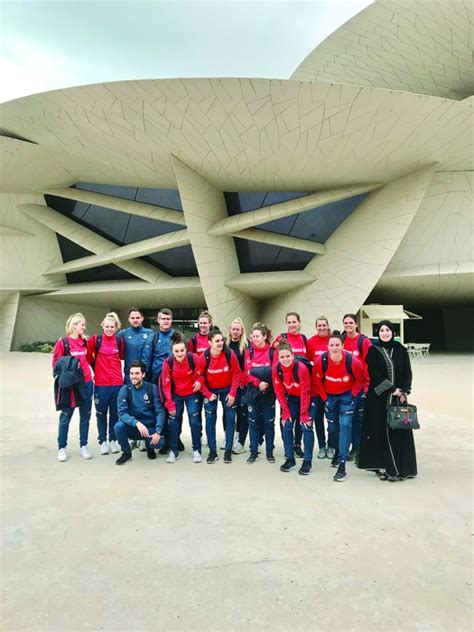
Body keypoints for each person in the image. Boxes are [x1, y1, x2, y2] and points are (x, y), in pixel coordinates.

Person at [358, 320, 417, 482]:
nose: (385, 333)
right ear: (378, 333)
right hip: (378, 398)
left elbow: (407, 373)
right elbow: (374, 374)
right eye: (382, 330)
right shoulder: (373, 350)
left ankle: (402, 467)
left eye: (388, 330)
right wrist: (392, 389)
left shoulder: (401, 350)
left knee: (398, 430)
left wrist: (404, 390)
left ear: (393, 332)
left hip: (399, 398)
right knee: (381, 430)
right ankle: (384, 466)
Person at [313, 333, 365, 482]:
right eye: (331, 345)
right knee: (333, 428)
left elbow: (360, 379)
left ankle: (342, 464)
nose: (334, 348)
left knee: (346, 425)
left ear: (342, 346)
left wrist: (353, 395)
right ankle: (336, 452)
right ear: (327, 346)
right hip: (330, 397)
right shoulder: (321, 361)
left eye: (337, 345)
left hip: (347, 396)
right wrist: (324, 398)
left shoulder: (352, 361)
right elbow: (317, 381)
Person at [196, 328, 241, 464]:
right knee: (210, 419)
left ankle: (228, 451)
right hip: (211, 390)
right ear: (210, 342)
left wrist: (233, 393)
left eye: (222, 340)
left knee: (230, 417)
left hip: (227, 389)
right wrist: (207, 394)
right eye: (217, 341)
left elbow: (237, 374)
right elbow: (198, 377)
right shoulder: (204, 357)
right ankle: (212, 451)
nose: (220, 343)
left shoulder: (229, 354)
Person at [52, 313, 93, 462]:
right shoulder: (63, 343)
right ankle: (62, 448)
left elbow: (88, 360)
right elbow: (55, 365)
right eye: (82, 324)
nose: (84, 327)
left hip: (87, 382)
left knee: (85, 416)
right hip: (70, 386)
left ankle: (84, 445)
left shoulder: (85, 342)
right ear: (74, 325)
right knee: (65, 416)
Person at [142, 307, 181, 454]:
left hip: (174, 380)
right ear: (158, 320)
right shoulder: (154, 337)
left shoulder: (177, 336)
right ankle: (162, 440)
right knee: (159, 410)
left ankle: (175, 439)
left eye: (168, 319)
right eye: (163, 319)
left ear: (171, 320)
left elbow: (182, 356)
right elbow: (147, 358)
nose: (166, 321)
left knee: (175, 411)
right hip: (156, 380)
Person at [272, 342, 314, 475]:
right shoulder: (276, 369)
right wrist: (285, 411)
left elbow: (305, 392)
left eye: (287, 356)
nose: (285, 360)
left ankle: (307, 461)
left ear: (293, 355)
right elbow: (279, 392)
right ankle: (290, 459)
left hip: (308, 398)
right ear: (278, 358)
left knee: (306, 426)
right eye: (282, 357)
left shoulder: (301, 368)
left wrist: (304, 414)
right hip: (292, 398)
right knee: (287, 424)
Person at [160, 332, 203, 464]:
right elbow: (166, 385)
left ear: (186, 349)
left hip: (192, 394)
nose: (179, 353)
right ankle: (174, 451)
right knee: (173, 422)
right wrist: (170, 403)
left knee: (194, 421)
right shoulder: (168, 363)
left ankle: (197, 450)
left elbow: (202, 373)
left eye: (182, 350)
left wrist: (200, 381)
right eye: (176, 351)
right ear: (172, 351)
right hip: (176, 395)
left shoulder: (193, 358)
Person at [273, 312, 309, 459]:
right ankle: (288, 446)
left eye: (294, 321)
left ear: (299, 322)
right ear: (286, 323)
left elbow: (309, 360)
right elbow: (274, 357)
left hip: (301, 383)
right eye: (289, 322)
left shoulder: (303, 338)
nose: (292, 324)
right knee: (286, 418)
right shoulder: (281, 338)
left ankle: (297, 445)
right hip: (286, 386)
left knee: (301, 418)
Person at [114, 361, 166, 465]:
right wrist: (136, 423)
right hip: (134, 428)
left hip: (149, 428)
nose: (133, 376)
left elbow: (160, 411)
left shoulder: (152, 388)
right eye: (131, 373)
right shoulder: (125, 390)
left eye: (137, 373)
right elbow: (122, 413)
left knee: (159, 443)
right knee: (118, 426)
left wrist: (158, 431)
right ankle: (126, 453)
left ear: (143, 374)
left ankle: (149, 446)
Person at [87, 311, 124, 455]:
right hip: (101, 385)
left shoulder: (119, 341)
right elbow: (89, 357)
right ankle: (102, 441)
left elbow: (121, 356)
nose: (109, 329)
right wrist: (97, 369)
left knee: (115, 414)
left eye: (112, 327)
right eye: (107, 326)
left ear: (116, 328)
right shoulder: (95, 341)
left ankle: (113, 441)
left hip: (116, 384)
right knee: (101, 414)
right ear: (102, 326)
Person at [243, 323, 276, 464]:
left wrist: (263, 380)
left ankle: (269, 452)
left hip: (269, 391)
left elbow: (274, 372)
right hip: (253, 392)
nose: (255, 339)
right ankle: (253, 452)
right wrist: (259, 382)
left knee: (269, 425)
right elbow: (247, 372)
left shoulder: (272, 352)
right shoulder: (249, 352)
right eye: (253, 336)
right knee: (253, 424)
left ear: (264, 336)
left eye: (257, 336)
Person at [342, 313, 372, 463]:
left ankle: (359, 448)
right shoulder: (342, 340)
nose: (348, 325)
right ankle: (351, 448)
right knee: (349, 419)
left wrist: (367, 386)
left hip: (361, 387)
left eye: (350, 322)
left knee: (359, 420)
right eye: (345, 323)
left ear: (356, 324)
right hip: (346, 387)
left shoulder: (363, 341)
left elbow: (369, 364)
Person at [307, 315, 333, 460]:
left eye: (324, 325)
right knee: (318, 419)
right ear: (316, 327)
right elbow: (309, 363)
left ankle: (331, 446)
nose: (322, 328)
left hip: (331, 389)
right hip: (316, 389)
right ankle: (322, 446)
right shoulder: (311, 342)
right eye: (319, 325)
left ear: (328, 325)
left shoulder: (333, 341)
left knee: (332, 420)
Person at [226, 317, 249, 454]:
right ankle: (228, 436)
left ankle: (239, 439)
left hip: (242, 385)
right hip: (228, 383)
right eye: (233, 329)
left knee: (241, 413)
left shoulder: (246, 345)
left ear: (241, 331)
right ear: (230, 330)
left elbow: (247, 366)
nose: (235, 332)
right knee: (228, 412)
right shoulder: (225, 344)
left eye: (237, 329)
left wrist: (242, 381)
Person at [117, 308, 153, 385]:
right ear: (129, 319)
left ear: (142, 318)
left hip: (145, 375)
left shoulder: (150, 333)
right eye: (132, 318)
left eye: (137, 318)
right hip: (129, 375)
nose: (135, 320)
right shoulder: (123, 334)